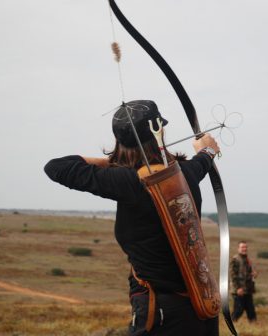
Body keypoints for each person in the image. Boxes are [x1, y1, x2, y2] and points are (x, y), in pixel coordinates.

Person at [44, 100, 220, 335]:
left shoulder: (127, 182)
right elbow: (203, 160)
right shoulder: (186, 172)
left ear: (119, 141)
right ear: (160, 132)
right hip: (202, 306)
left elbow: (56, 167)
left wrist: (114, 161)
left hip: (161, 313)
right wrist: (208, 149)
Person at [230, 241, 257, 322]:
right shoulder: (235, 259)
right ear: (238, 249)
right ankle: (231, 324)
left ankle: (255, 328)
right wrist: (238, 288)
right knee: (238, 310)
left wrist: (254, 274)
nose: (244, 249)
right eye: (242, 247)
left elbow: (249, 273)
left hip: (248, 290)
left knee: (251, 311)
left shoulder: (248, 260)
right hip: (239, 290)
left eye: (245, 247)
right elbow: (233, 275)